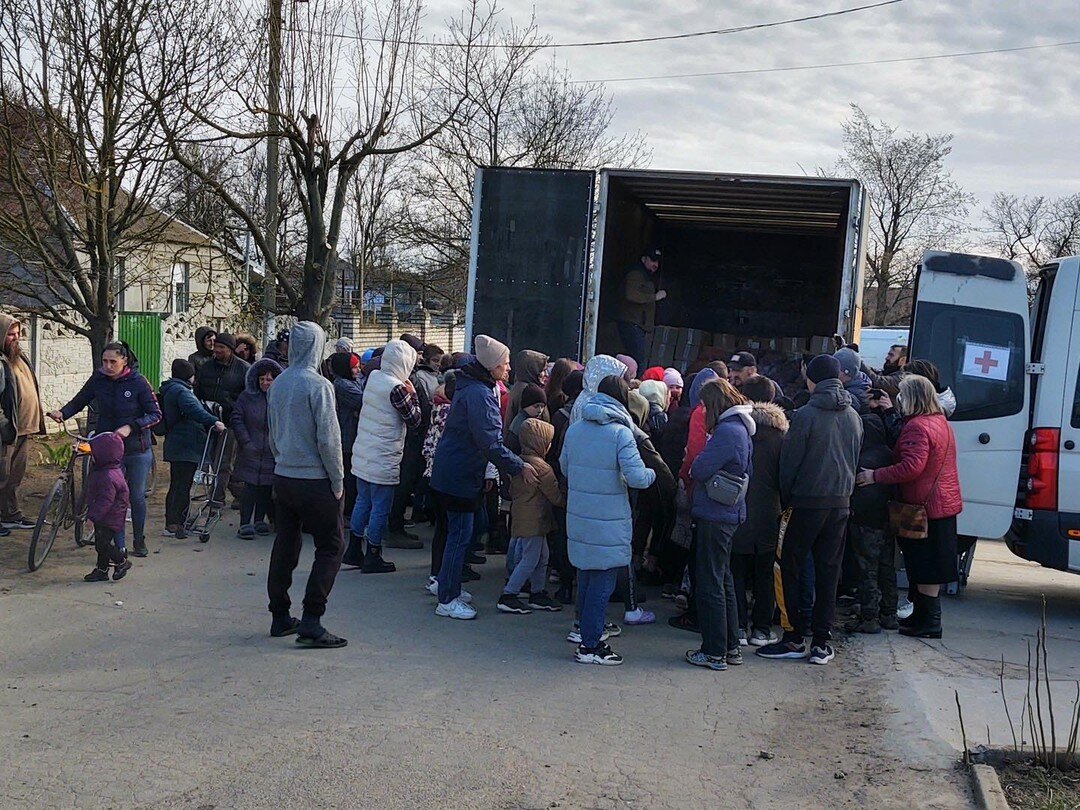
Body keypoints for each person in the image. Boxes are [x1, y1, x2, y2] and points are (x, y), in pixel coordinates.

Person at [758, 354, 862, 666]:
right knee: (829, 572)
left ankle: (792, 636)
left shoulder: (804, 416)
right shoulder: (854, 416)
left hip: (805, 502)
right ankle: (821, 641)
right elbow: (855, 460)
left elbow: (789, 465)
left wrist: (788, 499)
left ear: (811, 379)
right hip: (840, 503)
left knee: (786, 564)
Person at [430, 335, 534, 619]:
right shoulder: (479, 393)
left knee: (458, 533)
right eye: (505, 363)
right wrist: (518, 466)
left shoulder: (472, 385)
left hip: (455, 469)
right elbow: (490, 442)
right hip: (460, 473)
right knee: (459, 535)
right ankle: (447, 597)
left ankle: (448, 586)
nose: (509, 369)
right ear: (492, 366)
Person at [856, 374, 962, 639]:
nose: (899, 399)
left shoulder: (918, 427)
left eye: (902, 394)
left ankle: (930, 623)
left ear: (913, 397)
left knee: (925, 566)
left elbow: (912, 466)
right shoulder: (939, 421)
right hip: (941, 503)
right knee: (929, 565)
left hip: (925, 506)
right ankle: (923, 617)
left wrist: (875, 475)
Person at [561, 375, 655, 665]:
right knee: (602, 582)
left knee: (587, 577)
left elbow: (564, 468)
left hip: (579, 516)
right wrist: (653, 473)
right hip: (609, 520)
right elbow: (639, 478)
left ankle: (585, 633)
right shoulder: (621, 433)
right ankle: (591, 646)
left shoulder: (575, 429)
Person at [265, 321, 347, 648]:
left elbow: (272, 433)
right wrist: (338, 480)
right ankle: (312, 619)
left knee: (286, 541)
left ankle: (279, 615)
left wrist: (282, 460)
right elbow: (329, 439)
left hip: (284, 476)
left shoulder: (279, 383)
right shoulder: (319, 385)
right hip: (315, 480)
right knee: (331, 546)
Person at [49, 342, 161, 557]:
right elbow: (80, 401)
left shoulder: (138, 382)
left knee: (135, 496)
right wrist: (63, 413)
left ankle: (139, 538)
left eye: (113, 362)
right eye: (105, 361)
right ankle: (118, 547)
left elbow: (155, 413)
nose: (108, 366)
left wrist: (132, 426)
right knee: (112, 498)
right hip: (108, 451)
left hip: (136, 448)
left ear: (124, 361)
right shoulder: (98, 380)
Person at [684, 379, 754, 671]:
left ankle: (714, 651)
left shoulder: (727, 431)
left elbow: (698, 469)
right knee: (724, 580)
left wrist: (697, 460)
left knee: (711, 582)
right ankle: (730, 647)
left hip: (715, 514)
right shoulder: (742, 428)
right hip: (728, 512)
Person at [342, 339, 421, 573]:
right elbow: (415, 419)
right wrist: (413, 394)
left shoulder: (374, 377)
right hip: (383, 457)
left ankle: (354, 549)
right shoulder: (397, 389)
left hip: (364, 452)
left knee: (362, 501)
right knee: (380, 508)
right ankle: (373, 554)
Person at [729, 375, 788, 647]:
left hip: (737, 507)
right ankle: (762, 629)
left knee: (736, 570)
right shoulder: (781, 436)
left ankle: (738, 625)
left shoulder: (735, 428)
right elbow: (787, 478)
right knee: (765, 571)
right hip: (769, 512)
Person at [500, 418, 565, 614]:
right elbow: (556, 497)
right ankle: (509, 594)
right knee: (531, 559)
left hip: (523, 516)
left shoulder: (518, 462)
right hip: (535, 519)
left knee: (541, 556)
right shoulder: (543, 468)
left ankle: (538, 592)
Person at [845, 410, 898, 634]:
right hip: (888, 519)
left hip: (865, 520)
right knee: (887, 567)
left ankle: (868, 617)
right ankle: (889, 614)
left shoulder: (860, 458)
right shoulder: (889, 454)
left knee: (867, 569)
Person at [160, 359, 226, 538]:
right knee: (182, 484)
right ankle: (175, 523)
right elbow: (194, 410)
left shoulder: (172, 389)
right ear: (189, 375)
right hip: (185, 445)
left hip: (178, 443)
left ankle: (175, 520)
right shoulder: (181, 391)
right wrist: (215, 421)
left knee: (178, 484)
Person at [388, 341, 442, 548]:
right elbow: (416, 414)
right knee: (403, 484)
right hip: (410, 439)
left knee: (405, 484)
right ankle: (394, 527)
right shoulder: (408, 382)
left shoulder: (394, 379)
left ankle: (396, 524)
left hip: (408, 439)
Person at [0, 313, 46, 534]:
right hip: (7, 433)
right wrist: (5, 426)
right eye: (10, 334)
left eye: (18, 333)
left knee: (14, 477)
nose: (16, 338)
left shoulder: (20, 357)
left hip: (24, 430)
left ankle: (11, 514)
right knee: (2, 476)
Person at [194, 333, 251, 506]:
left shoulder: (244, 369)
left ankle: (216, 498)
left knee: (223, 461)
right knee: (215, 459)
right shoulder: (206, 367)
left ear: (231, 350)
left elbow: (248, 397)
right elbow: (198, 390)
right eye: (216, 346)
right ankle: (242, 494)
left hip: (231, 422)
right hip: (210, 422)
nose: (217, 350)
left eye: (221, 348)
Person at [231, 358, 282, 539]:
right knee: (250, 488)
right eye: (262, 379)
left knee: (266, 488)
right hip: (250, 450)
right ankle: (245, 522)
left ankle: (260, 520)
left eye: (269, 380)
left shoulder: (280, 400)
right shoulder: (247, 397)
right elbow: (237, 418)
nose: (265, 383)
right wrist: (246, 442)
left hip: (271, 452)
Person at [82, 432, 133, 583]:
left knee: (102, 543)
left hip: (110, 516)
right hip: (109, 514)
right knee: (101, 542)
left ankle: (121, 561)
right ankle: (102, 569)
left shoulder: (107, 476)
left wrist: (93, 517)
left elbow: (106, 500)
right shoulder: (109, 470)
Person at [616, 246, 665, 371]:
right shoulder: (636, 274)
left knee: (637, 360)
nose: (656, 264)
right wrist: (655, 296)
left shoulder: (645, 275)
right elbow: (631, 295)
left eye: (657, 261)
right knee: (638, 362)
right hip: (632, 324)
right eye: (653, 260)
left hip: (637, 325)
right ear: (644, 259)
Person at [329, 352, 364, 518]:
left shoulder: (351, 381)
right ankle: (346, 512)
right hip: (346, 437)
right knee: (348, 478)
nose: (358, 371)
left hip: (352, 436)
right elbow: (363, 401)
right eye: (354, 367)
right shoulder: (342, 385)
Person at [506, 349, 550, 428]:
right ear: (533, 369)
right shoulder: (526, 390)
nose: (546, 374)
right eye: (543, 370)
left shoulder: (518, 386)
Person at [505, 383, 547, 455]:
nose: (540, 410)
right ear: (526, 405)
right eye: (536, 406)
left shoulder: (530, 420)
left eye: (542, 406)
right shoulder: (520, 424)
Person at [833, 347, 872, 414]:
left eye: (835, 369)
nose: (832, 372)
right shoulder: (854, 382)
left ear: (846, 373)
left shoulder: (857, 394)